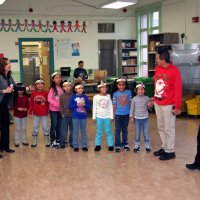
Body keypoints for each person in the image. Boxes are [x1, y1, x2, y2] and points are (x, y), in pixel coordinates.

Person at [153, 49, 182, 161]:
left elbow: (178, 90)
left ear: (163, 60)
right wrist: (153, 97)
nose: (156, 60)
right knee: (161, 127)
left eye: (157, 58)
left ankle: (170, 151)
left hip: (169, 104)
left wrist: (177, 106)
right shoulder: (158, 68)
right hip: (158, 102)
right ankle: (164, 147)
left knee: (169, 128)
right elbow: (156, 84)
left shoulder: (175, 71)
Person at [129, 83, 153, 153]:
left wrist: (150, 106)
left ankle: (147, 146)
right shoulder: (134, 99)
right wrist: (131, 116)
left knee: (146, 133)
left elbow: (149, 109)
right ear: (136, 91)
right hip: (137, 119)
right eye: (139, 89)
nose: (140, 91)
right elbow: (132, 108)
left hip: (145, 118)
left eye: (142, 89)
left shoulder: (147, 98)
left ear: (144, 90)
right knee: (137, 133)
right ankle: (137, 145)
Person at [68, 83, 91, 152]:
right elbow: (70, 107)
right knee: (75, 131)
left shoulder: (85, 97)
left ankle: (84, 145)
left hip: (83, 116)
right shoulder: (73, 97)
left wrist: (84, 105)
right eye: (79, 88)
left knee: (83, 131)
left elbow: (89, 106)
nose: (81, 89)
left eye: (82, 88)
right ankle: (75, 145)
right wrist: (77, 104)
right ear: (76, 89)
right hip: (75, 117)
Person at [92, 81, 114, 152]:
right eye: (102, 87)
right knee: (99, 131)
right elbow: (94, 107)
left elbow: (110, 106)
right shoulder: (95, 97)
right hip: (99, 117)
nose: (104, 89)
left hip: (107, 117)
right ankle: (98, 145)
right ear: (99, 89)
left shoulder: (108, 96)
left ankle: (110, 145)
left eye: (105, 87)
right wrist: (94, 117)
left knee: (108, 131)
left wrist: (111, 116)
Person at [0, 57, 15, 155]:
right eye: (6, 64)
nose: (9, 65)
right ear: (2, 66)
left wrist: (27, 87)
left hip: (4, 105)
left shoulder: (9, 76)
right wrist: (4, 91)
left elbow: (15, 86)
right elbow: (5, 90)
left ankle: (5, 147)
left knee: (6, 126)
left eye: (9, 63)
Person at [112, 78, 132, 153]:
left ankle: (125, 143)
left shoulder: (129, 92)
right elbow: (114, 105)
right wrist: (113, 115)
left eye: (123, 85)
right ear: (117, 85)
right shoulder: (115, 94)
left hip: (126, 114)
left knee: (125, 130)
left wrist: (131, 113)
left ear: (125, 85)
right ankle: (117, 144)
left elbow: (130, 103)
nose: (121, 87)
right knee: (117, 130)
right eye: (120, 85)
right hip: (118, 115)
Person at [29, 78, 50, 147]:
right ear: (35, 85)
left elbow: (48, 103)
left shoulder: (46, 93)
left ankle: (47, 140)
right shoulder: (33, 93)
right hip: (36, 114)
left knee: (45, 127)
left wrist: (49, 111)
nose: (40, 85)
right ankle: (34, 141)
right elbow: (31, 103)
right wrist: (30, 113)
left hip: (44, 114)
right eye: (38, 84)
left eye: (41, 84)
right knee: (35, 127)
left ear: (43, 85)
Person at [48, 72, 63, 148]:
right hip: (53, 110)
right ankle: (52, 140)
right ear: (53, 79)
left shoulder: (62, 88)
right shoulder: (52, 89)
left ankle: (58, 139)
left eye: (59, 77)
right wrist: (58, 105)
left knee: (59, 125)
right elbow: (49, 99)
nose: (58, 79)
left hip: (60, 110)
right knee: (54, 124)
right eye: (56, 78)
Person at [13, 83, 29, 147]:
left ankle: (24, 141)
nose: (21, 91)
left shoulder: (25, 97)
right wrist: (18, 108)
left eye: (22, 90)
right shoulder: (15, 97)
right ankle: (16, 142)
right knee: (17, 128)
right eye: (19, 90)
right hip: (17, 115)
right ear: (16, 90)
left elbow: (28, 105)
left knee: (24, 128)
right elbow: (13, 106)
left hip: (24, 115)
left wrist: (26, 109)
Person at [59, 80, 73, 149]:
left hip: (72, 116)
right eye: (65, 86)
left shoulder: (73, 95)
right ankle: (62, 142)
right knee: (63, 130)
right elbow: (61, 106)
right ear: (63, 88)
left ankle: (72, 142)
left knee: (72, 130)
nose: (67, 87)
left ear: (71, 86)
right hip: (64, 116)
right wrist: (62, 114)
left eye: (68, 86)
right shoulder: (61, 96)